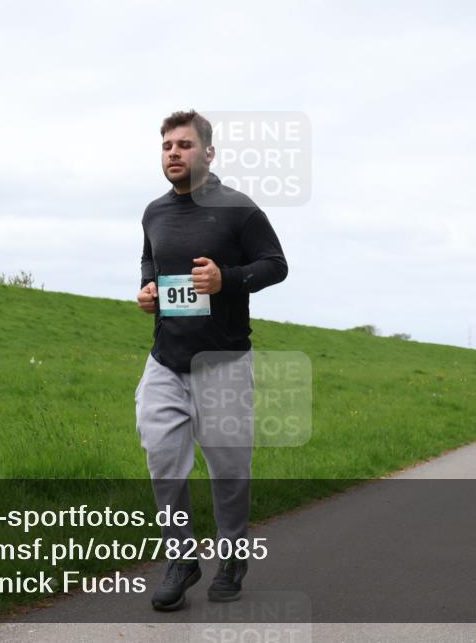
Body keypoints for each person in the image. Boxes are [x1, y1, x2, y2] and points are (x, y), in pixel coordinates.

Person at [135, 110, 288, 611]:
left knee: (228, 470)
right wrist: (148, 289)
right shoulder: (154, 212)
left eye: (183, 144)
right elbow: (148, 260)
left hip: (222, 363)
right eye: (166, 146)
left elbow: (275, 265)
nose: (173, 153)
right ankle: (181, 559)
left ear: (208, 152)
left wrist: (227, 279)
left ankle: (233, 554)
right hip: (165, 362)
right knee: (162, 460)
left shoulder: (238, 210)